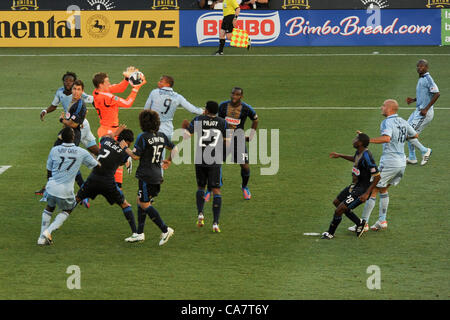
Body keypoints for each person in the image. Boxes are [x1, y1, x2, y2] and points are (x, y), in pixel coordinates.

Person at [349, 99, 418, 232]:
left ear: (389, 108)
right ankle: (382, 221)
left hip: (390, 162)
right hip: (401, 162)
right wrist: (400, 139)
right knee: (384, 189)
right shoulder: (403, 121)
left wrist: (367, 140)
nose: (381, 107)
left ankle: (364, 224)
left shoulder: (387, 122)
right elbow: (415, 135)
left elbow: (386, 138)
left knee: (372, 189)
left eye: (383, 106)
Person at [36, 72, 99, 197]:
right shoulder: (60, 92)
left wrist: (100, 111)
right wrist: (45, 111)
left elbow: (93, 100)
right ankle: (115, 161)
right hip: (73, 125)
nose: (68, 83)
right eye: (66, 81)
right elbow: (54, 105)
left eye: (71, 81)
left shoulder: (79, 96)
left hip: (77, 127)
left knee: (64, 154)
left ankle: (77, 188)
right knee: (94, 150)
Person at [76, 125, 140, 242]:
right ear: (127, 142)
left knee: (76, 199)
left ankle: (55, 221)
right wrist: (124, 149)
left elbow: (103, 138)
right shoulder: (124, 152)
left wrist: (114, 133)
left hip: (93, 178)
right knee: (125, 204)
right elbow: (123, 161)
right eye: (129, 143)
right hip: (108, 182)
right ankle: (135, 233)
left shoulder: (106, 141)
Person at [121, 110, 176, 246]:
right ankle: (139, 233)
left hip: (146, 176)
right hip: (157, 175)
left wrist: (125, 148)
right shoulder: (162, 136)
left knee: (144, 204)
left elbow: (135, 156)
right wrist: (168, 160)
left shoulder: (143, 137)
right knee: (141, 200)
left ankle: (165, 229)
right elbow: (174, 149)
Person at [39, 127, 99, 245]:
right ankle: (48, 231)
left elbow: (49, 170)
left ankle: (41, 239)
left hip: (51, 186)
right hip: (65, 190)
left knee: (49, 207)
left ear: (61, 137)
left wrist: (49, 185)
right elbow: (96, 166)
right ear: (73, 137)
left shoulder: (54, 150)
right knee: (68, 209)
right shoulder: (81, 152)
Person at [92, 66, 146, 188]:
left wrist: (127, 78)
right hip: (110, 131)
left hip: (107, 128)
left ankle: (118, 185)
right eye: (107, 81)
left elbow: (120, 88)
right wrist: (136, 88)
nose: (109, 83)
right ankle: (94, 186)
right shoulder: (107, 97)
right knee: (109, 161)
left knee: (114, 160)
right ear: (101, 84)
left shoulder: (97, 92)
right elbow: (127, 103)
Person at [321, 133, 381, 240]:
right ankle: (359, 223)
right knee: (337, 202)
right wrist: (340, 155)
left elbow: (377, 177)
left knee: (339, 210)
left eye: (356, 139)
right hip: (355, 186)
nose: (354, 140)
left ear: (361, 143)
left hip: (361, 189)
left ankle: (330, 233)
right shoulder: (359, 152)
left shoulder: (367, 157)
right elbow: (355, 159)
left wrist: (367, 193)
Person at [182, 101, 230, 232]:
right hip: (215, 159)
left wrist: (185, 128)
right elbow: (228, 142)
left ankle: (200, 213)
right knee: (216, 190)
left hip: (200, 159)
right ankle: (215, 223)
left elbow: (186, 136)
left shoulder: (198, 119)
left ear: (207, 110)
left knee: (200, 187)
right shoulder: (222, 122)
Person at [214, 87, 258, 201]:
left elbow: (255, 119)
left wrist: (252, 134)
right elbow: (216, 119)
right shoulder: (223, 106)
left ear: (241, 96)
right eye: (233, 94)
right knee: (215, 163)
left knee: (245, 165)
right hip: (224, 139)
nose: (234, 96)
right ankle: (212, 187)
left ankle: (244, 186)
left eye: (237, 95)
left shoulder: (246, 108)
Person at [143, 75, 203, 142]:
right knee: (166, 148)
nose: (158, 82)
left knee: (156, 150)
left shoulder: (154, 92)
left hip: (154, 127)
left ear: (167, 84)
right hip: (168, 129)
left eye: (161, 81)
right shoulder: (178, 97)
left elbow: (145, 110)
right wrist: (203, 111)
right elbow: (192, 109)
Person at [405, 59, 440, 166]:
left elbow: (437, 93)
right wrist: (414, 100)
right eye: (418, 66)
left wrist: (426, 109)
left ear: (427, 68)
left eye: (422, 66)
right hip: (418, 111)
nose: (419, 68)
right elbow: (425, 94)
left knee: (409, 134)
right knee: (406, 130)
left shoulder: (428, 79)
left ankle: (425, 151)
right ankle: (412, 158)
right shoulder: (422, 78)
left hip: (424, 113)